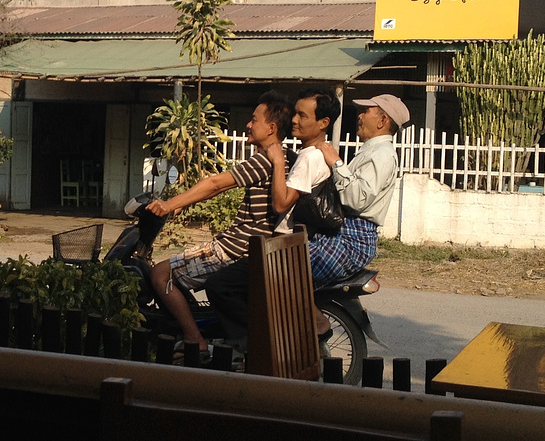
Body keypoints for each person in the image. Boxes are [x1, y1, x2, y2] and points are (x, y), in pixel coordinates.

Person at [206, 91, 410, 348]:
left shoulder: (381, 155)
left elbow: (357, 199)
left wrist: (336, 163)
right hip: (342, 233)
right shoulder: (368, 152)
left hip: (352, 238)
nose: (359, 116)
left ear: (382, 121)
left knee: (278, 270)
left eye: (366, 112)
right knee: (274, 270)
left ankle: (312, 325)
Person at [146, 90, 295, 359]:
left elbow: (216, 182)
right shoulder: (281, 158)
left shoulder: (265, 161)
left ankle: (194, 338)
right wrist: (182, 202)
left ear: (271, 127)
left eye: (254, 120)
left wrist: (168, 204)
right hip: (244, 244)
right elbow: (217, 190)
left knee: (159, 274)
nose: (248, 125)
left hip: (235, 248)